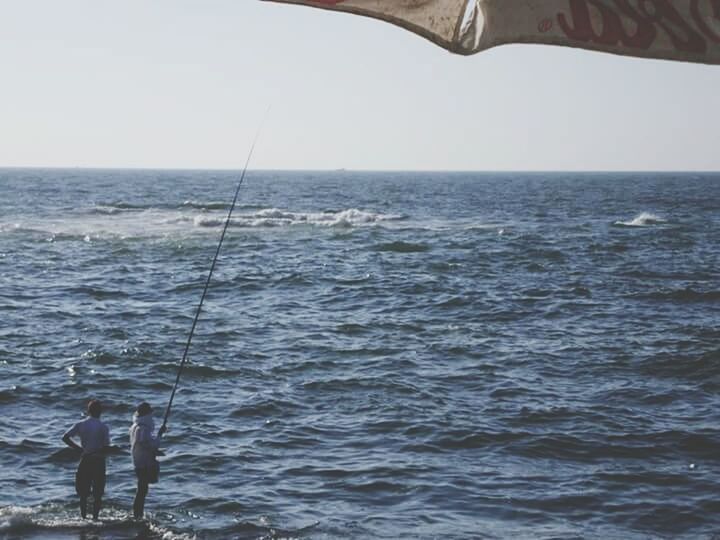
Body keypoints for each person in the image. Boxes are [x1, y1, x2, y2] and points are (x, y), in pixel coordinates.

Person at [62, 399, 111, 520]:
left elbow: (65, 437)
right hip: (99, 461)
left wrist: (79, 449)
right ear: (101, 412)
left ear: (88, 411)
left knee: (83, 493)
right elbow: (105, 447)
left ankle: (83, 518)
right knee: (98, 493)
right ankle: (95, 518)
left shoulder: (81, 424)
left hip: (85, 459)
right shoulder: (104, 427)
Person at [129, 402, 166, 519]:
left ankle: (137, 514)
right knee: (142, 491)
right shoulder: (143, 428)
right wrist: (160, 435)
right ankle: (137, 515)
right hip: (143, 464)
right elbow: (149, 445)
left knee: (141, 490)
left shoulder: (135, 426)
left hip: (138, 462)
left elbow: (143, 445)